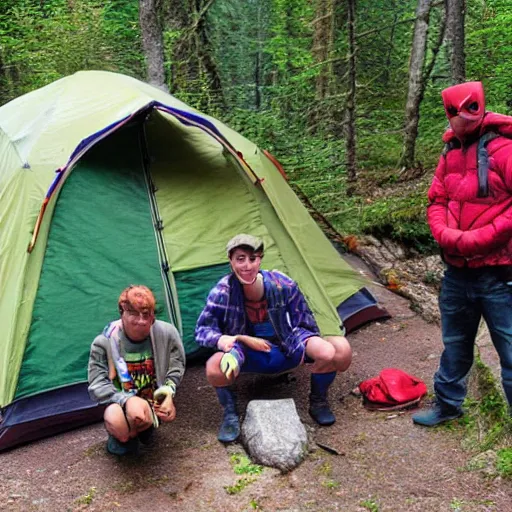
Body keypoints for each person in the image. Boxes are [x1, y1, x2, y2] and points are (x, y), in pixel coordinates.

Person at [412, 81, 512, 427]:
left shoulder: (505, 149)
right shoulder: (450, 152)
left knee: (510, 351)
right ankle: (448, 406)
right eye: (452, 111)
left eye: (466, 109)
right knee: (455, 344)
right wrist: (445, 235)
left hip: (500, 274)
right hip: (456, 272)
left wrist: (479, 239)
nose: (458, 118)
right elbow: (436, 198)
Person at [195, 234, 352, 442]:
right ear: (231, 260)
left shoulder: (282, 284)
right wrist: (221, 339)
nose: (247, 265)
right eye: (240, 259)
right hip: (246, 353)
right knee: (214, 367)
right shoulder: (222, 291)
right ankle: (230, 413)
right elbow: (202, 330)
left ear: (260, 260)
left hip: (286, 347)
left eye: (253, 258)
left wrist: (306, 347)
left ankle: (318, 400)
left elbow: (304, 323)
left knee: (334, 350)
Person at [88, 285, 186, 455]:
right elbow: (97, 384)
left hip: (151, 402)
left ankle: (144, 427)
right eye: (133, 313)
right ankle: (123, 435)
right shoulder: (103, 342)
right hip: (120, 405)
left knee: (141, 416)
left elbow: (176, 366)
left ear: (153, 317)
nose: (140, 320)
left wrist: (168, 392)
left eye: (146, 315)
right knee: (115, 418)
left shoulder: (167, 333)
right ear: (122, 314)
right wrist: (126, 400)